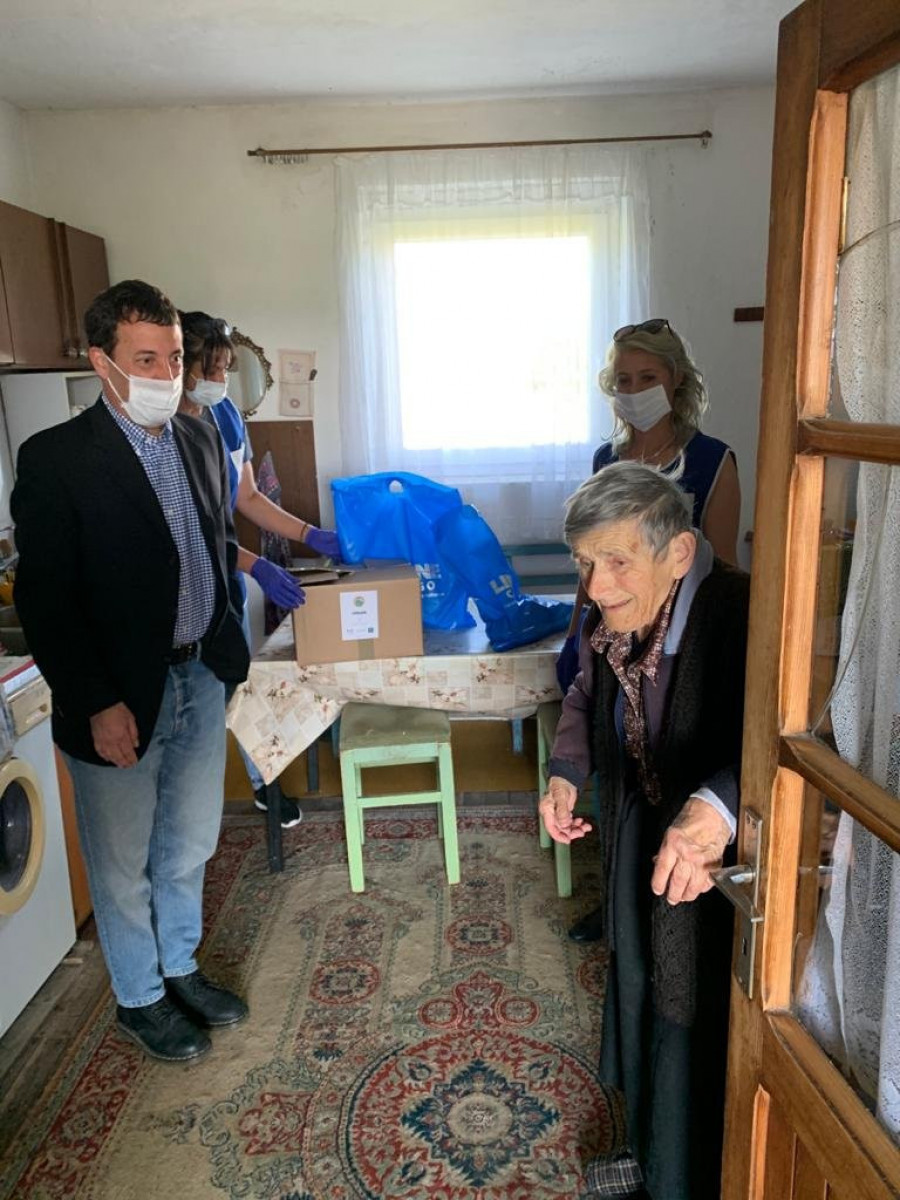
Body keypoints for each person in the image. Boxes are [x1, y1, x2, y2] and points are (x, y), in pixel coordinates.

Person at [12, 280, 251, 1065]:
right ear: (102, 362)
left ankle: (178, 966)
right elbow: (47, 600)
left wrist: (224, 656)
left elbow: (217, 547)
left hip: (199, 677)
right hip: (117, 695)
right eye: (146, 359)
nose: (167, 374)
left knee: (188, 843)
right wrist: (97, 702)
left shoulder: (199, 440)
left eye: (174, 357)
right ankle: (139, 998)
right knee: (121, 864)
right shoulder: (56, 459)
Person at [540, 461, 749, 1200]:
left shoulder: (739, 615)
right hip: (640, 832)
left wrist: (720, 805)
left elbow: (780, 740)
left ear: (679, 553)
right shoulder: (617, 619)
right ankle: (647, 1154)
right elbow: (582, 694)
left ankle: (683, 1176)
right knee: (636, 983)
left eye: (617, 561)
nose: (596, 587)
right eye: (585, 564)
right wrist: (566, 772)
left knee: (690, 1013)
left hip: (709, 863)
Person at [559, 318, 742, 943]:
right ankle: (617, 901)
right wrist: (582, 626)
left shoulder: (713, 460)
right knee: (617, 768)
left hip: (678, 645)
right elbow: (593, 562)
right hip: (615, 633)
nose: (634, 391)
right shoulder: (606, 459)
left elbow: (722, 566)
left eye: (648, 378)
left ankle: (670, 905)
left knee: (675, 770)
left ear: (676, 381)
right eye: (624, 380)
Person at [177, 310, 341, 829]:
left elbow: (245, 496)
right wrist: (258, 565)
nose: (218, 379)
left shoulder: (224, 414)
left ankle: (264, 782)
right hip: (180, 584)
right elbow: (189, 533)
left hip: (224, 578)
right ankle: (198, 810)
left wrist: (309, 535)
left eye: (224, 368)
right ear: (183, 367)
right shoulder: (161, 429)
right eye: (210, 368)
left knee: (242, 685)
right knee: (198, 705)